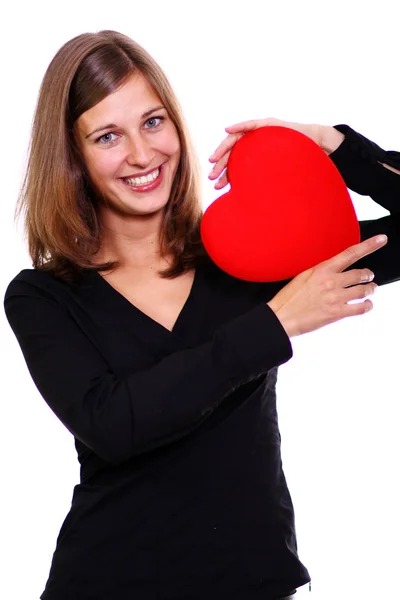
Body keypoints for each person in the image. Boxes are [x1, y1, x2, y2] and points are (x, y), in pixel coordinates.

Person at [3, 29, 400, 600]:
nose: (142, 154)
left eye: (153, 121)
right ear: (73, 155)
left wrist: (333, 145)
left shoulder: (247, 257)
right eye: (109, 135)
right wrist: (275, 324)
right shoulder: (44, 295)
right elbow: (114, 424)